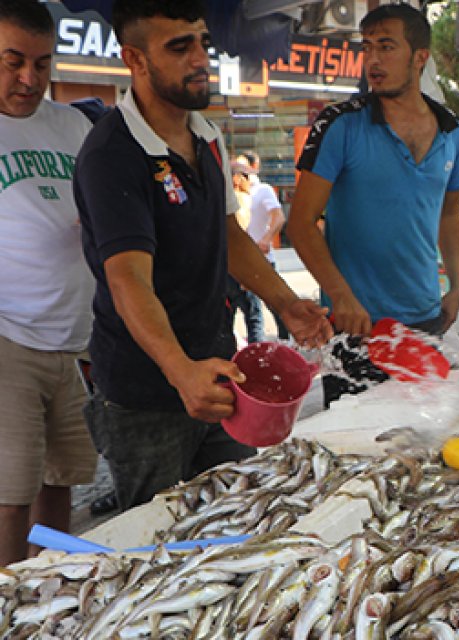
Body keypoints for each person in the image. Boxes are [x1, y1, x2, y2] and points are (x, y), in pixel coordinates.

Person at [74, 0, 333, 510]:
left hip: (220, 374)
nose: (200, 59)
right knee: (161, 535)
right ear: (135, 59)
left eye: (203, 43)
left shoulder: (206, 135)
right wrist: (180, 371)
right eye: (179, 47)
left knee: (240, 514)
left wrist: (286, 303)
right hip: (148, 395)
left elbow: (229, 235)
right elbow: (128, 279)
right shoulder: (112, 154)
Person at [290, 4, 459, 338]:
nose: (372, 60)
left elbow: (450, 211)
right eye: (367, 48)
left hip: (428, 319)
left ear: (420, 57)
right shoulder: (339, 124)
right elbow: (300, 223)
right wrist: (340, 295)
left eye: (386, 47)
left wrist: (458, 286)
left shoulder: (452, 131)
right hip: (355, 324)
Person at [0, 0, 98, 565]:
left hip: (73, 340)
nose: (28, 79)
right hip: (9, 335)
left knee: (62, 481)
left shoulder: (73, 125)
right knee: (9, 496)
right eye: (12, 61)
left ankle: (48, 590)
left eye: (42, 63)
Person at [235, 152, 289, 340]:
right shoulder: (228, 195)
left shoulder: (261, 191)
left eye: (240, 170)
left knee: (272, 307)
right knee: (249, 312)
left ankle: (286, 342)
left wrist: (266, 239)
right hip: (236, 263)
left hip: (260, 259)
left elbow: (278, 217)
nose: (236, 175)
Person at [226, 160, 266, 343]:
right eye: (247, 177)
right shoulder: (239, 201)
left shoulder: (218, 200)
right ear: (236, 178)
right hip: (240, 269)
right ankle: (258, 355)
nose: (250, 181)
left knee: (227, 319)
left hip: (224, 269)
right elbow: (238, 237)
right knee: (254, 317)